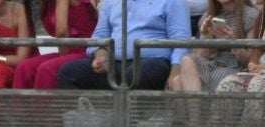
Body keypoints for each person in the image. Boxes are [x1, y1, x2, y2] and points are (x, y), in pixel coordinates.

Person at [55, 0, 190, 90]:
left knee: (138, 74)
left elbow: (181, 41)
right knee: (69, 72)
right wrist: (101, 56)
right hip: (113, 64)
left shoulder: (174, 1)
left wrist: (175, 74)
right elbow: (99, 37)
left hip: (152, 63)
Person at [172, 0, 256, 92]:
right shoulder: (208, 16)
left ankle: (197, 106)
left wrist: (233, 43)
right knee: (184, 65)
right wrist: (205, 35)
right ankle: (196, 106)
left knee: (179, 82)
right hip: (213, 65)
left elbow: (251, 61)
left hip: (235, 68)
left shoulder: (251, 15)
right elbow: (201, 57)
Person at [11, 0, 97, 88]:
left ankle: (44, 101)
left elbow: (61, 31)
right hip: (69, 50)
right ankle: (18, 101)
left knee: (46, 69)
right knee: (24, 68)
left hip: (86, 50)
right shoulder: (47, 4)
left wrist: (62, 58)